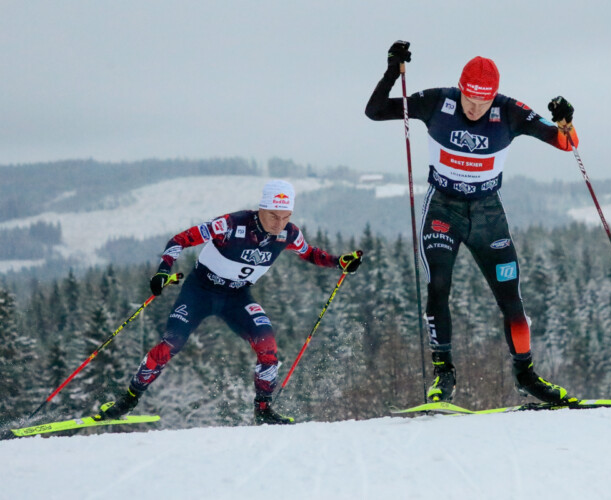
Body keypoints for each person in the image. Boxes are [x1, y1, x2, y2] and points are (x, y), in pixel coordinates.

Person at [365, 41, 579, 405]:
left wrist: (566, 121)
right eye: (470, 99)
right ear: (461, 89)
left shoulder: (510, 111)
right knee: (439, 286)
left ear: (493, 95)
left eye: (483, 101)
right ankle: (443, 373)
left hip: (487, 214)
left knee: (510, 297)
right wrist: (391, 71)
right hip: (443, 210)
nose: (475, 107)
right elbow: (376, 111)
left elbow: (566, 143)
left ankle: (526, 375)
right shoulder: (438, 101)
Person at [95, 180, 363, 425]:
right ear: (261, 208)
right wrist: (164, 269)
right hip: (200, 290)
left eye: (285, 217)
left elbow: (311, 254)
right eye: (273, 215)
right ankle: (129, 398)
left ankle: (263, 409)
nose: (278, 223)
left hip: (237, 296)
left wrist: (339, 261)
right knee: (170, 344)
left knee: (268, 348)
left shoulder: (289, 234)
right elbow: (178, 240)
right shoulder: (230, 225)